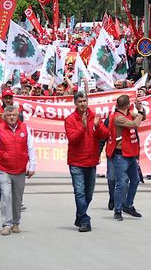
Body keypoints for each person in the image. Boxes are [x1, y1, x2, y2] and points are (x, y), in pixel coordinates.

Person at [0, 105, 37, 235]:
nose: (11, 117)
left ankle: (16, 223)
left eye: (14, 115)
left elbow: (30, 148)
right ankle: (6, 224)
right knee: (6, 196)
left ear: (18, 115)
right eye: (8, 115)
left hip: (20, 170)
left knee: (17, 198)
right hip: (4, 169)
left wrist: (32, 166)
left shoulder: (25, 129)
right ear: (4, 116)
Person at [64, 91, 108, 232]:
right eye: (80, 101)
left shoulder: (94, 116)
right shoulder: (70, 119)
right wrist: (83, 127)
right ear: (75, 103)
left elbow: (105, 135)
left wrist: (97, 126)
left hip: (91, 161)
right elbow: (73, 139)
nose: (83, 104)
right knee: (80, 193)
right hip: (76, 162)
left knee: (88, 194)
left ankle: (80, 215)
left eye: (84, 101)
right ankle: (85, 220)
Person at [105, 95, 146, 221]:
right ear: (128, 105)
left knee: (135, 180)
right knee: (121, 183)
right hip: (120, 155)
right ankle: (118, 209)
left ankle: (128, 205)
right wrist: (139, 111)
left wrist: (141, 109)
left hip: (131, 154)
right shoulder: (118, 118)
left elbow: (142, 118)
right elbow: (135, 124)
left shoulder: (128, 113)